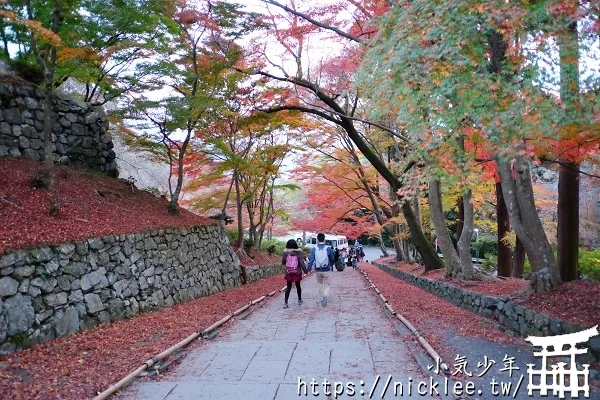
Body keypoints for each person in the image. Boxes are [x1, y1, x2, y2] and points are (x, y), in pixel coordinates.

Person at [307, 233, 335, 306]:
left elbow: (311, 259)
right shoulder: (328, 248)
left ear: (317, 239)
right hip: (326, 269)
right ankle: (326, 295)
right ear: (324, 239)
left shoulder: (314, 248)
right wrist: (332, 265)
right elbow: (332, 258)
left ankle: (322, 298)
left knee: (320, 284)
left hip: (318, 270)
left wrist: (309, 269)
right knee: (326, 284)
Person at [282, 239, 307, 308]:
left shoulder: (286, 253)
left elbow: (283, 262)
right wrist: (306, 271)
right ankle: (299, 300)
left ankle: (285, 303)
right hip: (297, 272)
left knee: (288, 287)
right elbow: (302, 263)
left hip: (288, 272)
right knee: (298, 286)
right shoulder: (298, 253)